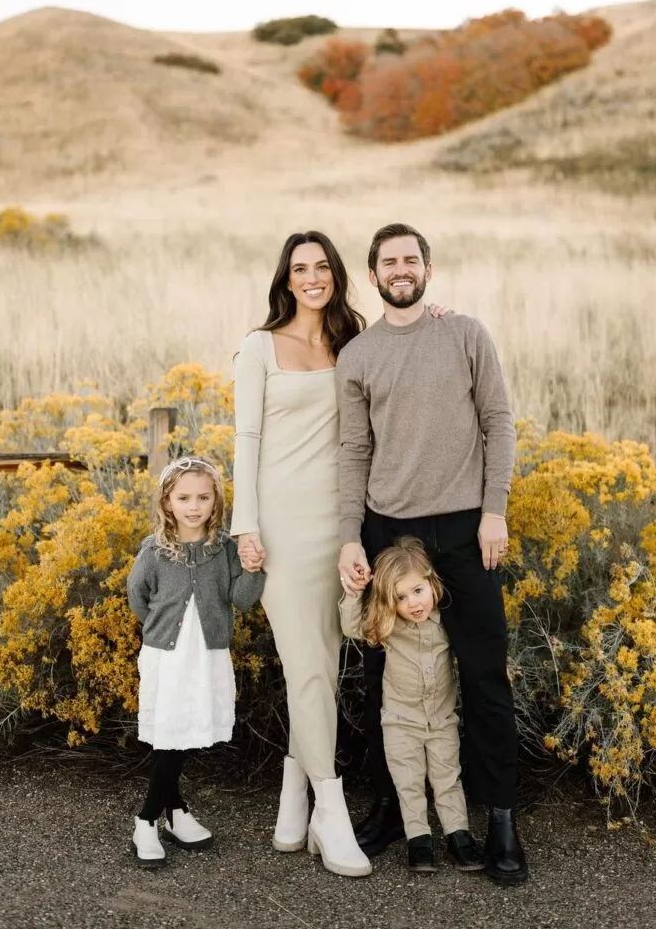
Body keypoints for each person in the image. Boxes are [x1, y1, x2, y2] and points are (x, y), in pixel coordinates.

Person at [231, 230, 451, 878]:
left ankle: (292, 794)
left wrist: (436, 321)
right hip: (281, 527)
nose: (311, 277)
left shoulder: (355, 343)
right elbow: (245, 439)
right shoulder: (257, 347)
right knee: (308, 669)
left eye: (321, 266)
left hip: (344, 525)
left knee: (327, 664)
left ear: (334, 274)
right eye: (299, 268)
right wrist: (246, 526)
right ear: (286, 278)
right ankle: (330, 812)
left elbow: (405, 346)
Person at [336, 222, 528, 886]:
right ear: (374, 273)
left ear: (427, 267)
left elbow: (497, 422)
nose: (401, 268)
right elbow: (354, 451)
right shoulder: (358, 356)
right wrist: (348, 536)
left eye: (410, 258)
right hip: (388, 530)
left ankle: (499, 815)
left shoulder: (465, 333)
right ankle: (393, 807)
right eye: (389, 261)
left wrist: (494, 509)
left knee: (481, 672)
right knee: (381, 676)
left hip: (465, 528)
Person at [127, 456, 265, 868]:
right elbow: (138, 597)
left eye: (203, 497)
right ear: (167, 502)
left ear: (215, 501)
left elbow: (242, 599)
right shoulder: (154, 550)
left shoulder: (224, 549)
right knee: (170, 732)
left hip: (206, 654)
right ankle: (147, 819)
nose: (193, 506)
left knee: (180, 731)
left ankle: (176, 812)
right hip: (166, 655)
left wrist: (254, 568)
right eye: (184, 497)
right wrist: (162, 628)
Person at [339, 536, 485, 875]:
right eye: (401, 598)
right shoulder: (389, 626)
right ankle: (418, 839)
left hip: (442, 719)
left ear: (431, 582)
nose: (413, 603)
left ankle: (458, 836)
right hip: (400, 722)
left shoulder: (447, 623)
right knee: (409, 782)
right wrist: (352, 593)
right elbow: (350, 626)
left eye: (418, 591)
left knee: (448, 777)